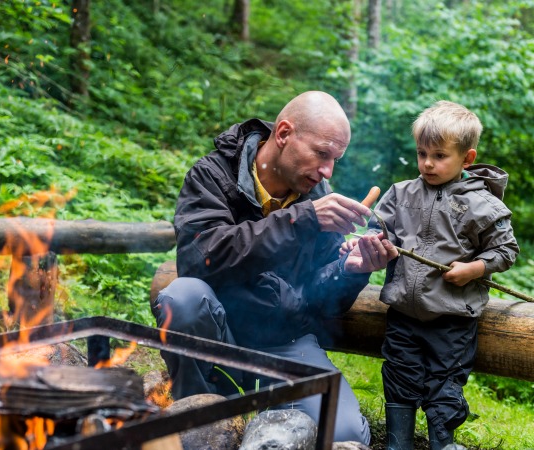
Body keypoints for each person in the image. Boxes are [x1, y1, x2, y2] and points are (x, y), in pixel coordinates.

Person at [151, 90, 397, 445]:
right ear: (283, 134)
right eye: (322, 153)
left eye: (336, 159)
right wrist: (302, 220)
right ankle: (201, 411)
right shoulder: (213, 175)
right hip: (222, 336)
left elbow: (319, 298)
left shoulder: (316, 194)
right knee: (183, 297)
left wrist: (350, 271)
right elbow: (202, 260)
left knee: (345, 434)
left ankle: (269, 413)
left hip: (287, 341)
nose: (327, 170)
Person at [367, 101, 519, 450]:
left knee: (445, 383)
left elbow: (506, 250)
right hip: (404, 314)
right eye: (422, 154)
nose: (428, 164)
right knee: (399, 375)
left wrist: (474, 269)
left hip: (452, 319)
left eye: (439, 155)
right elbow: (379, 232)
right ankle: (398, 443)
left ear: (467, 158)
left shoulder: (483, 205)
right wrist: (377, 241)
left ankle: (442, 443)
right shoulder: (401, 194)